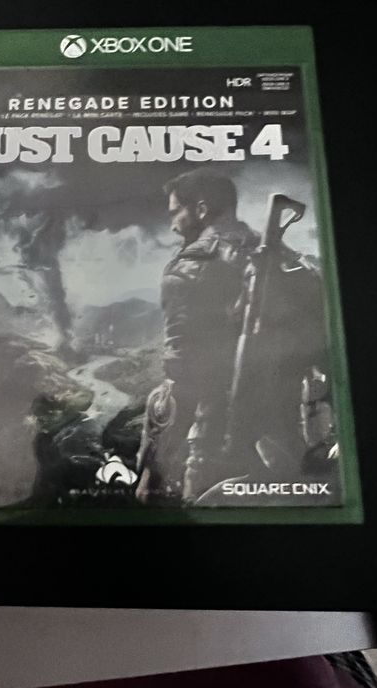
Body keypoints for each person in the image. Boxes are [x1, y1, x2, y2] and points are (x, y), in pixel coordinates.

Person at [135, 168, 258, 503]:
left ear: (201, 209)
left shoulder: (189, 268)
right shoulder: (275, 254)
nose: (172, 224)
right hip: (275, 418)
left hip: (213, 424)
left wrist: (152, 470)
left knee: (163, 401)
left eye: (176, 212)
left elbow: (182, 368)